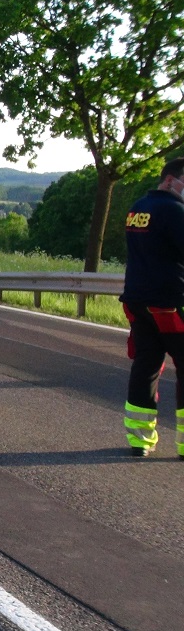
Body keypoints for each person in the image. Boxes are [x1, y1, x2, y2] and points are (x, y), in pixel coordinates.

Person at [119, 157, 184, 458]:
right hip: (170, 302)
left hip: (138, 301)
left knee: (146, 366)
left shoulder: (138, 208)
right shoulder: (174, 211)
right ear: (170, 180)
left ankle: (140, 440)